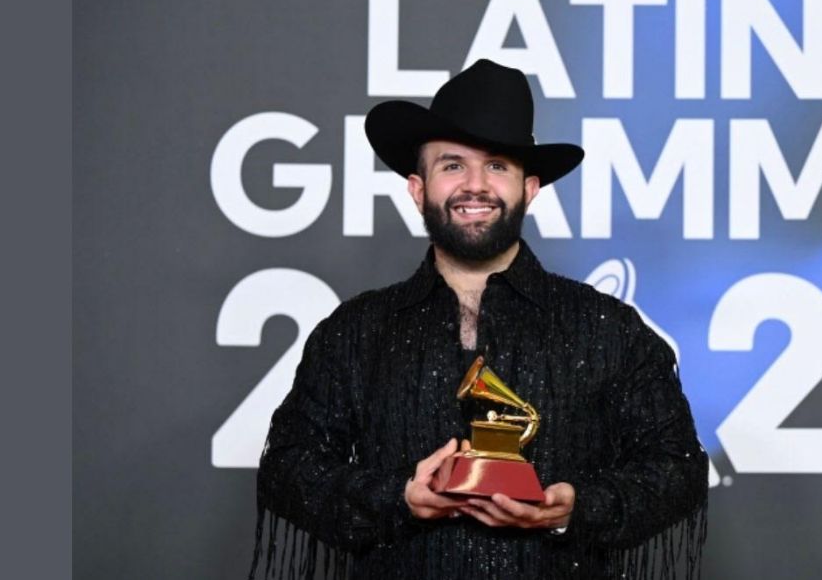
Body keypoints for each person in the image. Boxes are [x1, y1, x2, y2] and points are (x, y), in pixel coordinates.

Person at [251, 59, 708, 579]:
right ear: (418, 188)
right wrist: (396, 498)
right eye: (451, 165)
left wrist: (575, 507)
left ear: (529, 188)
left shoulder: (608, 328)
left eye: (497, 165)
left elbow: (679, 469)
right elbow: (287, 468)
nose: (475, 186)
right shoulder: (354, 332)